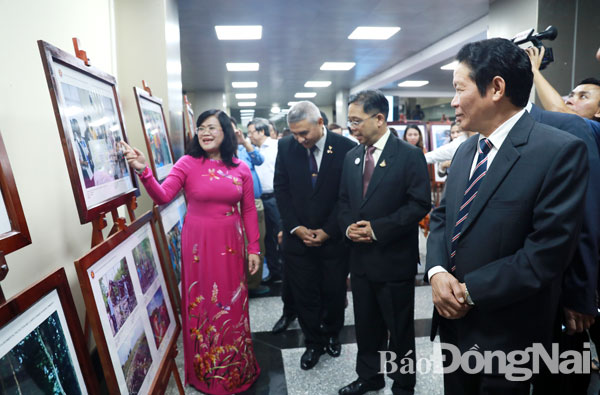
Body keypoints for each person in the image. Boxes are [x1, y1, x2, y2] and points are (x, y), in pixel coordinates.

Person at [426, 38, 589, 394]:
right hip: (454, 327)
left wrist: (468, 293)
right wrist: (437, 273)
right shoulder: (468, 150)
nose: (453, 102)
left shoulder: (558, 152)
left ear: (496, 88)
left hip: (506, 334)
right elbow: (442, 218)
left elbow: (546, 253)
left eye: (459, 89)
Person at [122, 109, 261, 394]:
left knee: (232, 303)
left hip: (231, 246)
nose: (205, 133)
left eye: (212, 127)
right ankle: (207, 372)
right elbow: (162, 196)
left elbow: (248, 210)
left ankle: (236, 368)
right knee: (205, 304)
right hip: (199, 245)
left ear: (225, 131)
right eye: (201, 128)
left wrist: (254, 248)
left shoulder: (240, 168)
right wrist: (143, 170)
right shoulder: (187, 164)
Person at [338, 90, 431, 395]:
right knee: (366, 325)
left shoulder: (408, 155)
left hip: (393, 259)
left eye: (356, 120)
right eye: (349, 121)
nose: (352, 127)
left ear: (379, 118)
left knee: (399, 329)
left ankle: (403, 383)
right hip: (361, 260)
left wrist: (377, 229)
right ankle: (370, 377)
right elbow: (342, 202)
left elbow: (419, 204)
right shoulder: (352, 156)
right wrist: (347, 227)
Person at [274, 101, 356, 370]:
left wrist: (329, 230)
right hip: (298, 239)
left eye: (304, 133)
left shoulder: (345, 147)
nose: (300, 139)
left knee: (334, 292)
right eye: (295, 134)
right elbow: (281, 190)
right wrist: (295, 228)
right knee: (304, 293)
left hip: (333, 239)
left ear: (320, 123)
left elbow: (348, 196)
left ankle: (333, 333)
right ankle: (313, 342)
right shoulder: (286, 147)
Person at [248, 118, 297, 332]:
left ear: (262, 131)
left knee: (281, 235)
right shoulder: (253, 150)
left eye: (252, 132)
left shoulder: (278, 146)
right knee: (267, 237)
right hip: (261, 200)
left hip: (277, 197)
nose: (249, 135)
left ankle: (285, 270)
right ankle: (275, 271)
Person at [526, 46, 600, 149]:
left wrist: (533, 69)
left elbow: (558, 109)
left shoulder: (596, 129)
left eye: (583, 96)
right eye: (571, 95)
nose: (569, 100)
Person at [231, 117, 270, 297]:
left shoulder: (243, 149)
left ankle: (254, 284)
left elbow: (259, 160)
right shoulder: (220, 154)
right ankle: (242, 284)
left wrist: (244, 143)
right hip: (233, 206)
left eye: (234, 130)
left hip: (254, 202)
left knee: (258, 240)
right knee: (238, 247)